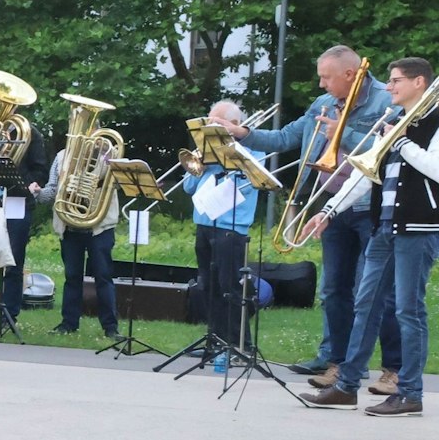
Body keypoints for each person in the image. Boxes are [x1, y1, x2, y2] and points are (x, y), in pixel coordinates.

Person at [217, 45, 390, 375]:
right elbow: (284, 138)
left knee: (368, 289)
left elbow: (386, 149)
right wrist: (243, 134)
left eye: (326, 77)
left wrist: (342, 133)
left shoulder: (383, 100)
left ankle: (360, 364)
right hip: (332, 204)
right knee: (333, 287)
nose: (322, 85)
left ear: (349, 75)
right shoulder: (323, 104)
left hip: (371, 205)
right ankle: (333, 357)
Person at [299, 57, 437, 416]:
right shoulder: (392, 121)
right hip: (384, 227)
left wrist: (402, 143)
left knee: (409, 310)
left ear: (419, 82)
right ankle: (347, 386)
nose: (388, 87)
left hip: (418, 228)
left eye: (395, 81)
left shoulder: (434, 122)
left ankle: (410, 393)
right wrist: (329, 211)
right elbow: (366, 175)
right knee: (365, 305)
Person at [181, 101, 264, 356]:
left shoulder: (253, 152)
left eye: (217, 123)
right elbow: (188, 188)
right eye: (210, 122)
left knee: (231, 287)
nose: (211, 128)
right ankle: (215, 339)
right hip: (204, 225)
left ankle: (240, 345)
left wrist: (226, 160)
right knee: (208, 285)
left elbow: (248, 186)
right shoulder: (205, 154)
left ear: (234, 126)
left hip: (232, 229)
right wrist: (203, 166)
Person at [33, 130, 122, 342]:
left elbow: (120, 183)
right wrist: (38, 193)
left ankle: (110, 327)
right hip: (70, 225)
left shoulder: (110, 155)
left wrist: (105, 156)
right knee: (72, 277)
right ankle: (68, 323)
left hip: (99, 226)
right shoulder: (62, 156)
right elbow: (53, 190)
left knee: (103, 277)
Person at [0, 110, 50, 330]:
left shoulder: (30, 133)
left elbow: (40, 171)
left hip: (18, 201)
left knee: (14, 262)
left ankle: (10, 314)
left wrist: (21, 179)